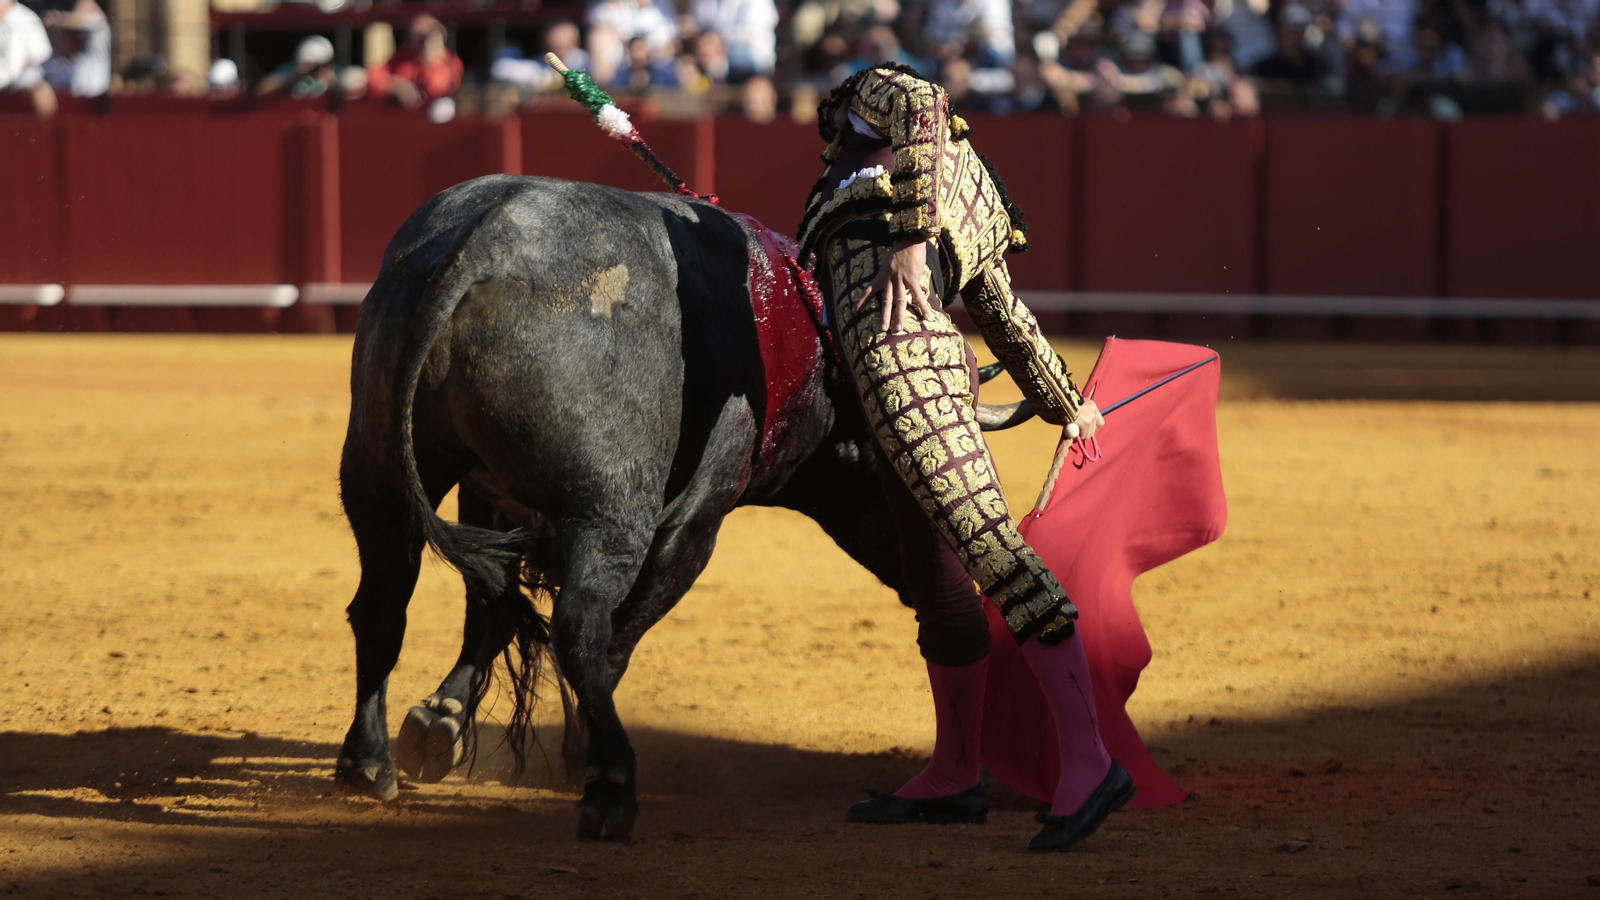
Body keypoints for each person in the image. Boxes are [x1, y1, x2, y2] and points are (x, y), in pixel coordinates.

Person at [795, 63, 1133, 853]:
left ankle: (1090, 763)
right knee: (938, 578)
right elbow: (1004, 314)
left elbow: (920, 99)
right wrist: (1065, 401)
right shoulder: (963, 186)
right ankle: (955, 774)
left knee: (992, 551)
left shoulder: (874, 97)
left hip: (906, 364)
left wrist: (912, 240)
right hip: (884, 378)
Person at [368, 14, 463, 109]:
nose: (422, 42)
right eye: (417, 37)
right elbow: (373, 77)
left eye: (426, 37)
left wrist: (429, 60)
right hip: (402, 113)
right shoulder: (403, 58)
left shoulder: (452, 62)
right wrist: (395, 85)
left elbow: (437, 90)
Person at [0, 0, 57, 116]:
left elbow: (42, 54)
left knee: (41, 90)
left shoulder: (27, 18)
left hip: (21, 74)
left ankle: (40, 125)